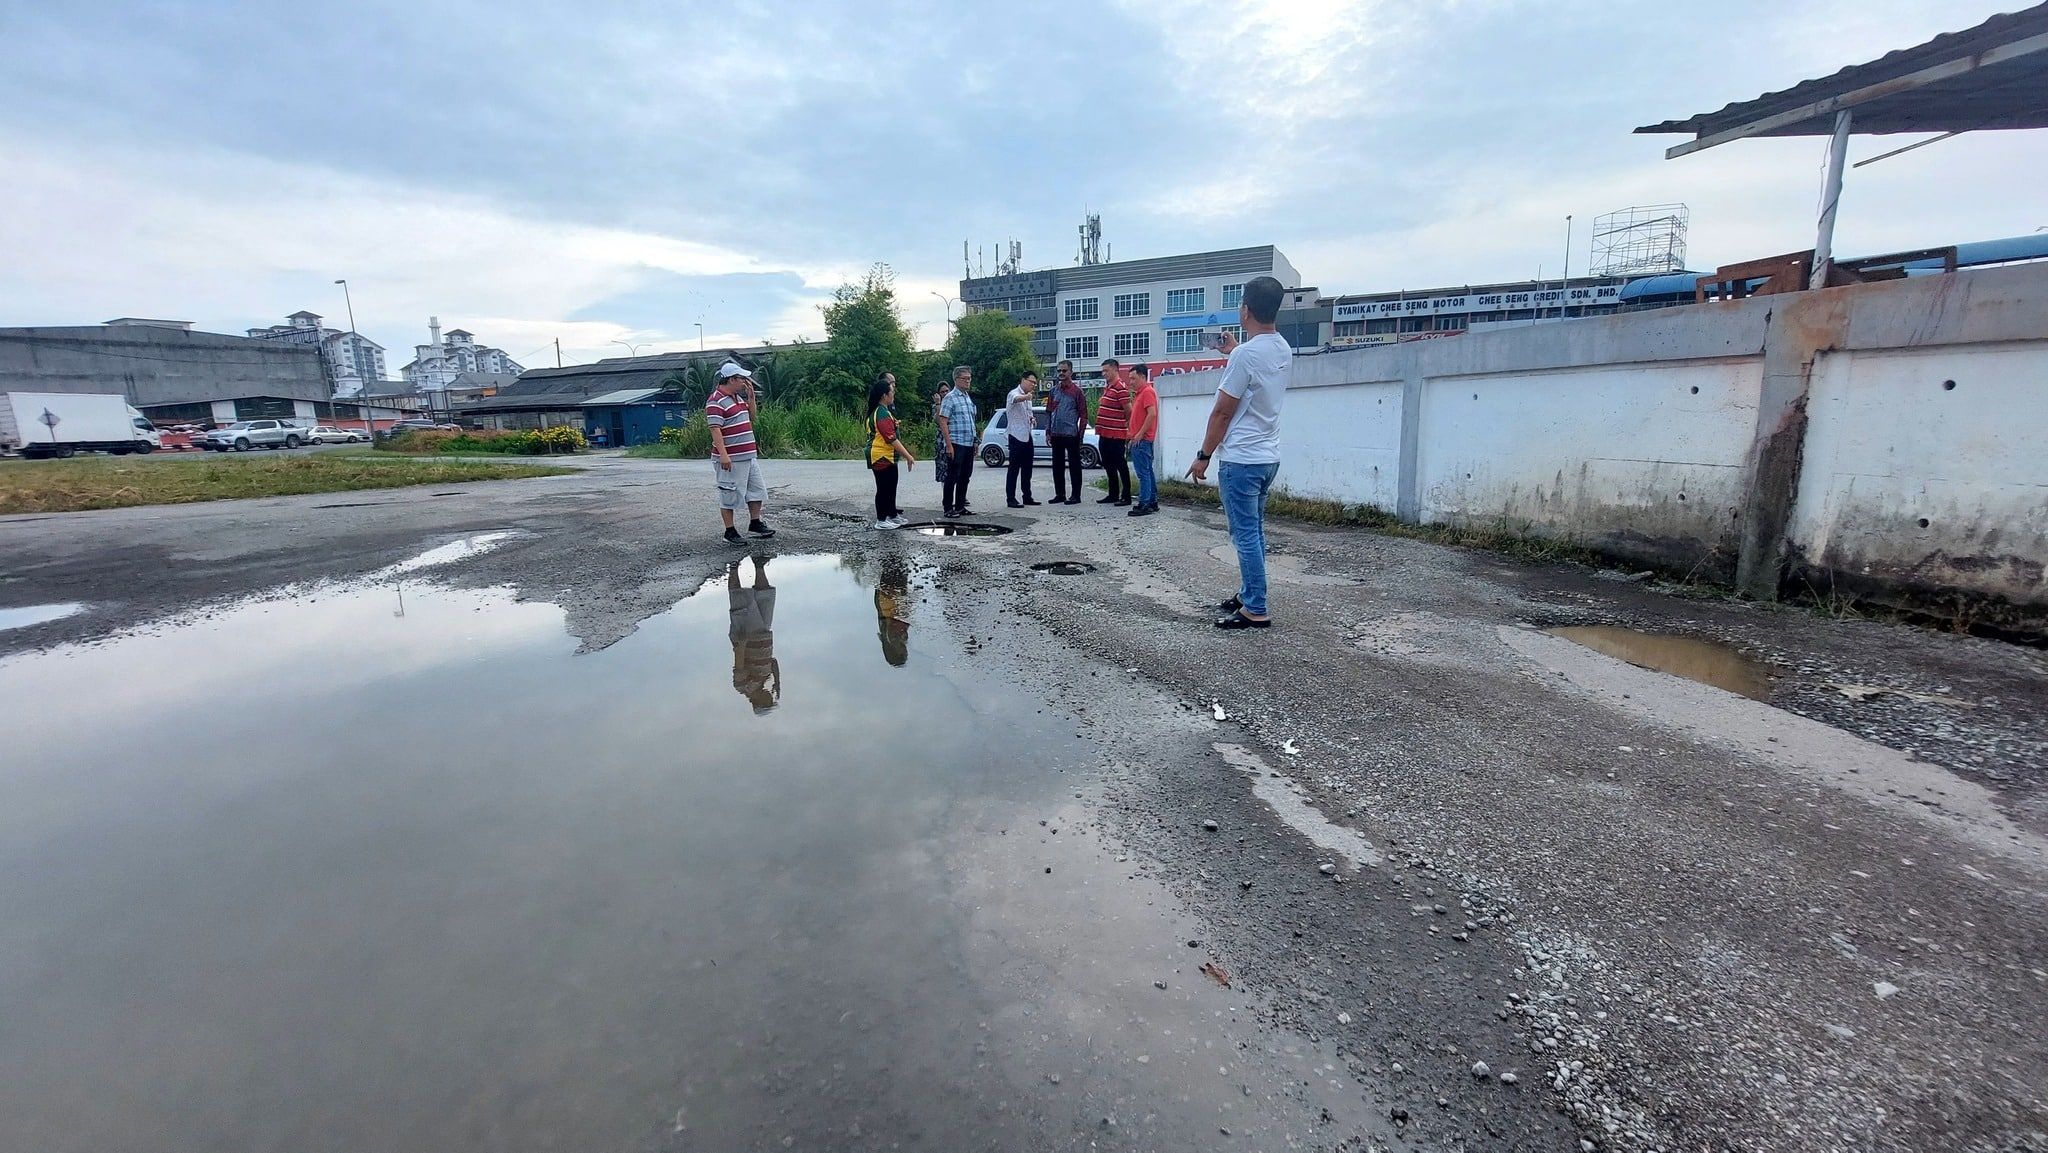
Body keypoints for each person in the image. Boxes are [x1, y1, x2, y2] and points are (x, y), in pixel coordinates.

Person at [1186, 276, 1290, 629]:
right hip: (1267, 457)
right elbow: (1257, 373)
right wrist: (1234, 351)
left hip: (1242, 460)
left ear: (1245, 310)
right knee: (1254, 531)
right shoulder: (1282, 348)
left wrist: (1203, 455)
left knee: (1244, 535)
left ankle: (1256, 607)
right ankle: (1249, 594)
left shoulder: (1246, 355)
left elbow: (1222, 412)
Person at [707, 362, 775, 544]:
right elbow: (715, 429)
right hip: (731, 457)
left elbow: (752, 417)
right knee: (729, 493)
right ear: (731, 379)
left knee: (757, 490)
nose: (745, 382)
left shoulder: (736, 398)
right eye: (742, 379)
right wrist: (724, 455)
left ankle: (755, 523)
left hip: (748, 455)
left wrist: (751, 397)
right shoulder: (715, 400)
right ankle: (730, 531)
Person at [728, 556, 780, 712]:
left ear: (758, 702)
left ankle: (733, 567)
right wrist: (777, 682)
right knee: (766, 596)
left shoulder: (744, 686)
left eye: (768, 701)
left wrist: (741, 643)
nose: (770, 697)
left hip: (747, 637)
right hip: (764, 634)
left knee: (739, 599)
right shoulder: (763, 680)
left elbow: (739, 663)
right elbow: (773, 661)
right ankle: (759, 565)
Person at [866, 372, 915, 529]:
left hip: (888, 456)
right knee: (884, 488)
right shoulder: (881, 413)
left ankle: (891, 515)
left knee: (890, 486)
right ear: (884, 395)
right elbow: (891, 438)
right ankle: (881, 520)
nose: (893, 393)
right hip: (881, 457)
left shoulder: (883, 411)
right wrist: (908, 456)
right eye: (891, 391)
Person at [936, 365, 979, 518]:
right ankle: (948, 507)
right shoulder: (950, 397)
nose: (968, 381)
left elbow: (971, 421)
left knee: (965, 476)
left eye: (969, 378)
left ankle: (960, 506)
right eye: (965, 378)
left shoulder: (967, 397)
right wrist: (948, 445)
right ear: (956, 379)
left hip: (968, 442)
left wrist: (975, 441)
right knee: (952, 476)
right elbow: (943, 421)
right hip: (956, 442)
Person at [1045, 359, 1089, 505]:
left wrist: (1080, 435)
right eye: (1059, 371)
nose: (1061, 373)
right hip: (1056, 434)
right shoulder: (1053, 391)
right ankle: (1060, 494)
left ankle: (1076, 495)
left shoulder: (1077, 392)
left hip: (1071, 434)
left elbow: (1084, 415)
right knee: (1057, 466)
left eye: (1064, 371)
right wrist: (1048, 431)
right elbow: (1048, 412)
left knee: (1074, 466)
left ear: (1071, 372)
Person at [1094, 358, 1132, 506]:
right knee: (1108, 464)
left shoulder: (1120, 387)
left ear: (1116, 370)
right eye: (1103, 371)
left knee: (1120, 464)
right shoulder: (1108, 387)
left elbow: (1128, 410)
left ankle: (1126, 495)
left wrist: (1127, 426)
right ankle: (1113, 494)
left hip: (1116, 434)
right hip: (1104, 433)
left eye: (1107, 371)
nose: (1104, 374)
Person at [1126, 361, 1160, 517]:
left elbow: (1152, 414)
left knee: (1143, 473)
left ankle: (1144, 503)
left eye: (1133, 378)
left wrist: (1139, 434)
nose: (1131, 382)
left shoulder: (1147, 392)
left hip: (1142, 440)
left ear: (1142, 377)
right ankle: (1151, 501)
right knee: (1147, 471)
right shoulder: (1141, 393)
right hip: (1140, 438)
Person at [1004, 371, 1040, 508]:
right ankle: (1011, 498)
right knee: (1013, 468)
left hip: (1027, 435)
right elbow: (1015, 399)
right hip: (1016, 435)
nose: (1033, 385)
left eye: (1035, 383)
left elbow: (1028, 413)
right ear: (1023, 380)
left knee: (1027, 468)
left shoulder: (1028, 398)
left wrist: (1031, 418)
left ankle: (1027, 496)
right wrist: (1026, 397)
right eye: (1032, 382)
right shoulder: (1014, 393)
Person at [874, 556, 911, 668]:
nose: (905, 648)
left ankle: (892, 551)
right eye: (905, 650)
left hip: (890, 597)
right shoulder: (888, 635)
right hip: (890, 598)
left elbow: (898, 621)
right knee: (895, 563)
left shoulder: (892, 637)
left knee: (893, 563)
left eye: (903, 650)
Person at [931, 387, 951, 491]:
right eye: (942, 392)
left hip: (953, 437)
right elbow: (939, 421)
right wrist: (938, 404)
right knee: (943, 468)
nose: (945, 393)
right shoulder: (936, 406)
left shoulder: (953, 403)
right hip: (941, 440)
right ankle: (946, 493)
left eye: (947, 391)